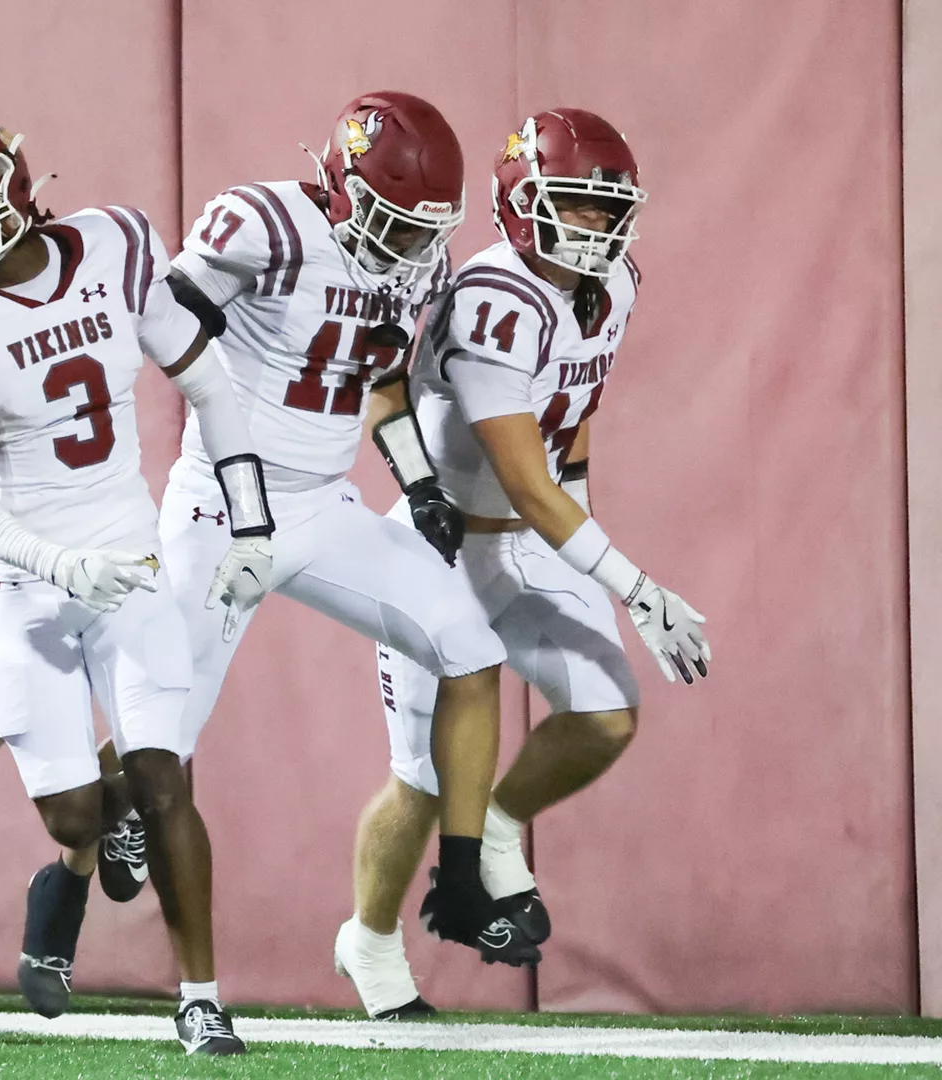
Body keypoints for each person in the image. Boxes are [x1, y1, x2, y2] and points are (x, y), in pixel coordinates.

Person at [0, 107, 281, 1055]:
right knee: (71, 813)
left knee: (162, 778)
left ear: (13, 182)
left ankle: (202, 1003)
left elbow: (211, 385)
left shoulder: (116, 244)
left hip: (130, 556)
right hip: (27, 582)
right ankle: (60, 879)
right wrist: (62, 564)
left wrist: (253, 524)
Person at [158, 93, 541, 1018]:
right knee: (160, 736)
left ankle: (455, 881)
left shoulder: (416, 258)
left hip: (326, 505)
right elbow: (167, 329)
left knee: (471, 650)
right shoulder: (260, 223)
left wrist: (415, 483)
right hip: (220, 505)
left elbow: (378, 372)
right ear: (342, 182)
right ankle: (80, 858)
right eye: (390, 220)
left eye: (422, 231)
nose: (406, 246)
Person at [355, 107, 710, 1005]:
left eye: (608, 207)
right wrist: (636, 589)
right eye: (578, 205)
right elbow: (521, 479)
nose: (599, 226)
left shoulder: (617, 283)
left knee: (605, 714)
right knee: (423, 782)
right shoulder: (493, 300)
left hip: (534, 538)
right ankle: (367, 941)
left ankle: (501, 826)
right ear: (521, 202)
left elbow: (575, 412)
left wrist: (593, 544)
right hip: (440, 551)